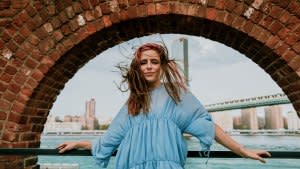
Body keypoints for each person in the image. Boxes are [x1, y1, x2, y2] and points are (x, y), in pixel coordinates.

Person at [57, 43, 271, 169]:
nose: (148, 67)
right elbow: (109, 140)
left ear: (162, 66)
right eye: (143, 63)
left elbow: (208, 127)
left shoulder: (178, 93)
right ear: (138, 68)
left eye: (154, 61)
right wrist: (78, 143)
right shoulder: (133, 102)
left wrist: (243, 151)